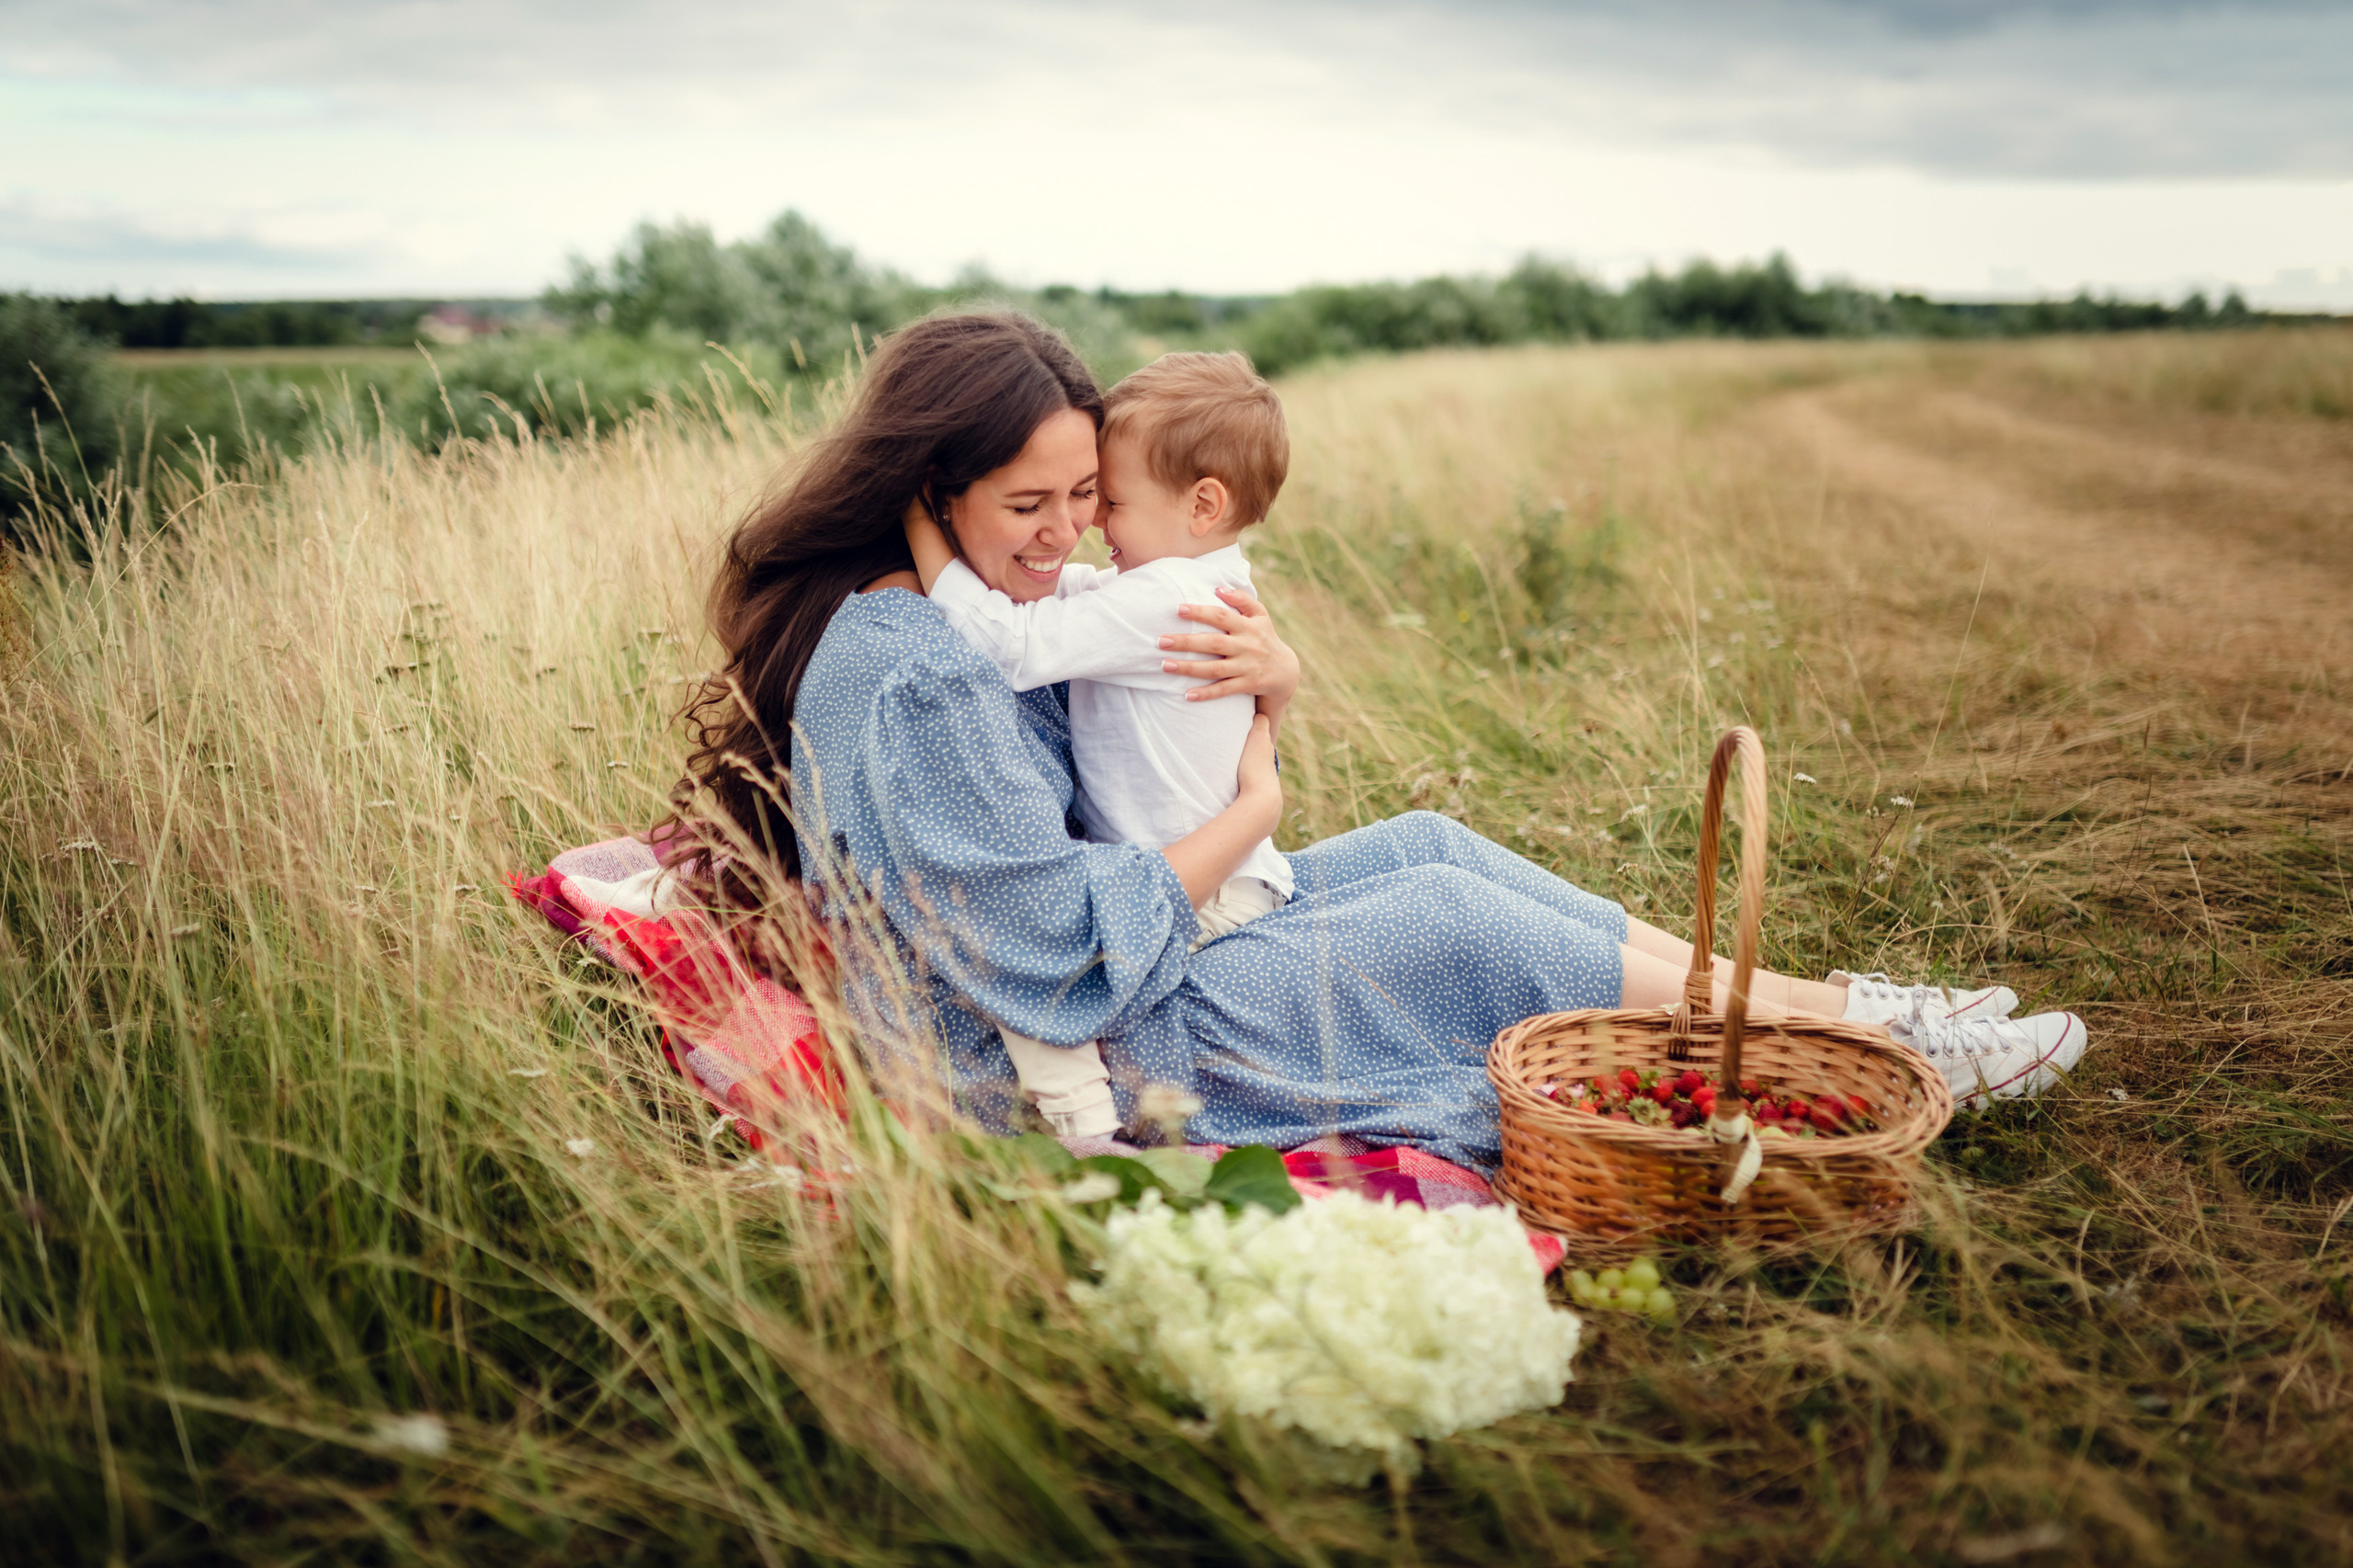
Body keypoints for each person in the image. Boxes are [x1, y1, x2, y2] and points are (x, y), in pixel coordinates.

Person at [676, 312, 2086, 1172]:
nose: (1068, 537)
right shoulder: (921, 665)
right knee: (1451, 922)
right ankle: (1878, 1045)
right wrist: (1255, 803)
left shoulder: (945, 604)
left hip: (1102, 970)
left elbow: (1122, 673)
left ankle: (1839, 1012)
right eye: (1029, 507)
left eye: (1084, 499)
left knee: (1429, 846)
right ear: (931, 488)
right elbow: (1044, 946)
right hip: (1052, 1051)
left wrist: (1269, 674)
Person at [902, 351, 1292, 1137]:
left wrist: (919, 526)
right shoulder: (1190, 580)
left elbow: (1009, 645)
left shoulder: (1167, 599)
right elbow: (1081, 593)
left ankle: (1086, 1130)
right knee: (1046, 940)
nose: (1092, 525)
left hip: (1202, 891)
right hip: (1217, 873)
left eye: (1108, 501)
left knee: (1045, 963)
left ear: (1203, 503)